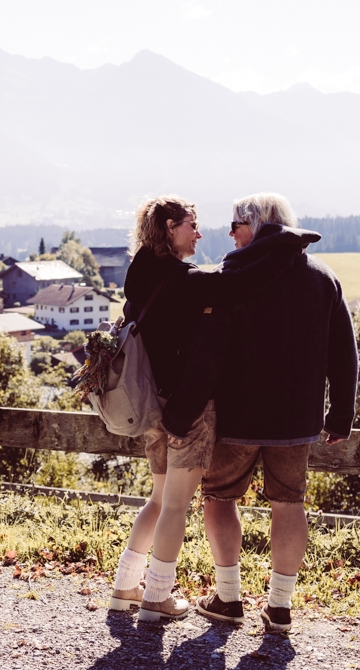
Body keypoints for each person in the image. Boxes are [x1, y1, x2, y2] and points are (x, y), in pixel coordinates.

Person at [106, 197, 315, 623]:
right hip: (185, 410)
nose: (199, 234)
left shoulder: (141, 272)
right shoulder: (186, 280)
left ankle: (126, 586)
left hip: (150, 406)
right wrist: (286, 246)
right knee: (176, 507)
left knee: (159, 498)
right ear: (169, 227)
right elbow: (238, 284)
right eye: (191, 225)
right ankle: (157, 598)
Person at [194, 192, 358, 634]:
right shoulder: (323, 277)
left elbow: (209, 347)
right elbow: (345, 353)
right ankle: (280, 607)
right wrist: (340, 414)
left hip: (237, 418)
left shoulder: (235, 274)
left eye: (235, 224)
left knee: (219, 497)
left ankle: (228, 598)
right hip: (297, 419)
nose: (229, 234)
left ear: (260, 224)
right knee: (289, 502)